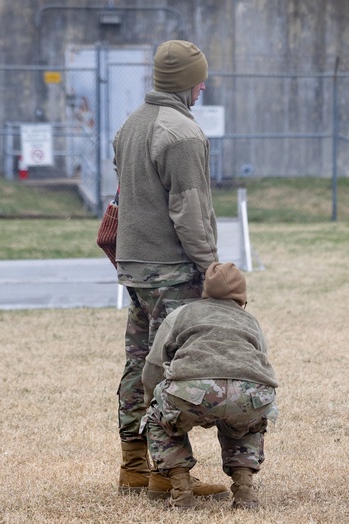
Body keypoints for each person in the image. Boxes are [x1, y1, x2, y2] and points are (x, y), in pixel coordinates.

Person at [112, 39, 225, 499]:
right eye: (200, 80)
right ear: (189, 84)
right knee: (173, 369)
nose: (202, 87)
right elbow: (190, 210)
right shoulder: (182, 134)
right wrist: (212, 268)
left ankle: (133, 464)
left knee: (139, 362)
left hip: (135, 267)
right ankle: (166, 472)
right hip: (172, 270)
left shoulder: (130, 126)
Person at [141, 262, 278, 510]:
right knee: (247, 425)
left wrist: (155, 404)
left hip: (193, 392)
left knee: (157, 418)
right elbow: (261, 358)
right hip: (252, 392)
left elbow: (153, 366)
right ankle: (245, 491)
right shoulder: (250, 320)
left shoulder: (182, 314)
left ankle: (182, 492)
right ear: (242, 295)